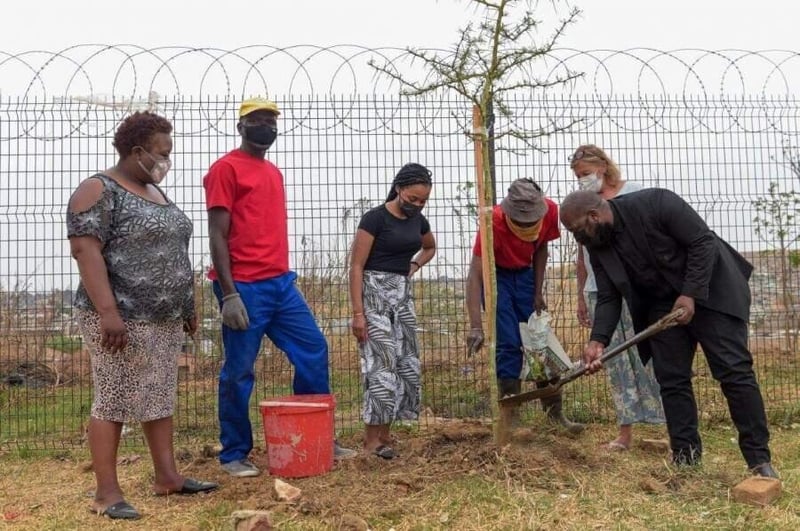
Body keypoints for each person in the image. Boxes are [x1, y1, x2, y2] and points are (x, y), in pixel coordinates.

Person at [560, 188, 777, 477]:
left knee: (734, 371)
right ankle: (686, 459)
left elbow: (703, 242)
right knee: (672, 379)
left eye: (577, 230)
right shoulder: (598, 244)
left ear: (594, 215)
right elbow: (609, 296)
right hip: (661, 303)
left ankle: (759, 460)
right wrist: (598, 340)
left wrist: (690, 294)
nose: (578, 239)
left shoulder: (657, 203)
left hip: (710, 289)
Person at [67, 112, 218, 520]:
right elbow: (86, 250)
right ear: (137, 151)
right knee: (114, 397)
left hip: (164, 317)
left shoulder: (156, 192)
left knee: (158, 394)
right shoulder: (99, 189)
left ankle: (167, 477)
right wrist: (108, 313)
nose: (166, 161)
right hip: (120, 318)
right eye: (161, 153)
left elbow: (174, 253)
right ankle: (106, 493)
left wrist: (187, 306)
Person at [203, 97, 356, 478]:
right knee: (239, 370)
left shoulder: (273, 171)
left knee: (313, 349)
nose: (266, 126)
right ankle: (234, 453)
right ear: (241, 127)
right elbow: (217, 235)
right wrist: (230, 293)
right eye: (257, 120)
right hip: (244, 286)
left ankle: (315, 434)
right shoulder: (224, 169)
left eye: (271, 120)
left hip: (280, 283)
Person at [465, 178, 585, 434]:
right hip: (497, 277)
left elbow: (541, 248)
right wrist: (475, 325)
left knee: (539, 341)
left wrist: (538, 290)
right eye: (521, 220)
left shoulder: (550, 210)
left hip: (526, 275)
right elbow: (475, 274)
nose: (527, 224)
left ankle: (555, 416)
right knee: (508, 343)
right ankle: (511, 420)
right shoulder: (493, 221)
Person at [570, 145, 665, 450]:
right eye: (578, 176)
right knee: (614, 361)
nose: (583, 180)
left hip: (635, 287)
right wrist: (582, 295)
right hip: (600, 290)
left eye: (585, 174)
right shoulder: (586, 204)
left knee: (650, 355)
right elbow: (582, 254)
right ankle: (624, 433)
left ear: (603, 167)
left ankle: (670, 427)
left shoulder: (634, 193)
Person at [348, 163, 436, 459]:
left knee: (405, 363)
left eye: (423, 201)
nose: (417, 205)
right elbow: (356, 266)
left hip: (402, 296)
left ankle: (386, 436)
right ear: (398, 189)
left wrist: (413, 267)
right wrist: (358, 313)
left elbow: (429, 247)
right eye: (412, 199)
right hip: (373, 295)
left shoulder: (418, 220)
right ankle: (372, 441)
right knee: (380, 364)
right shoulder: (375, 218)